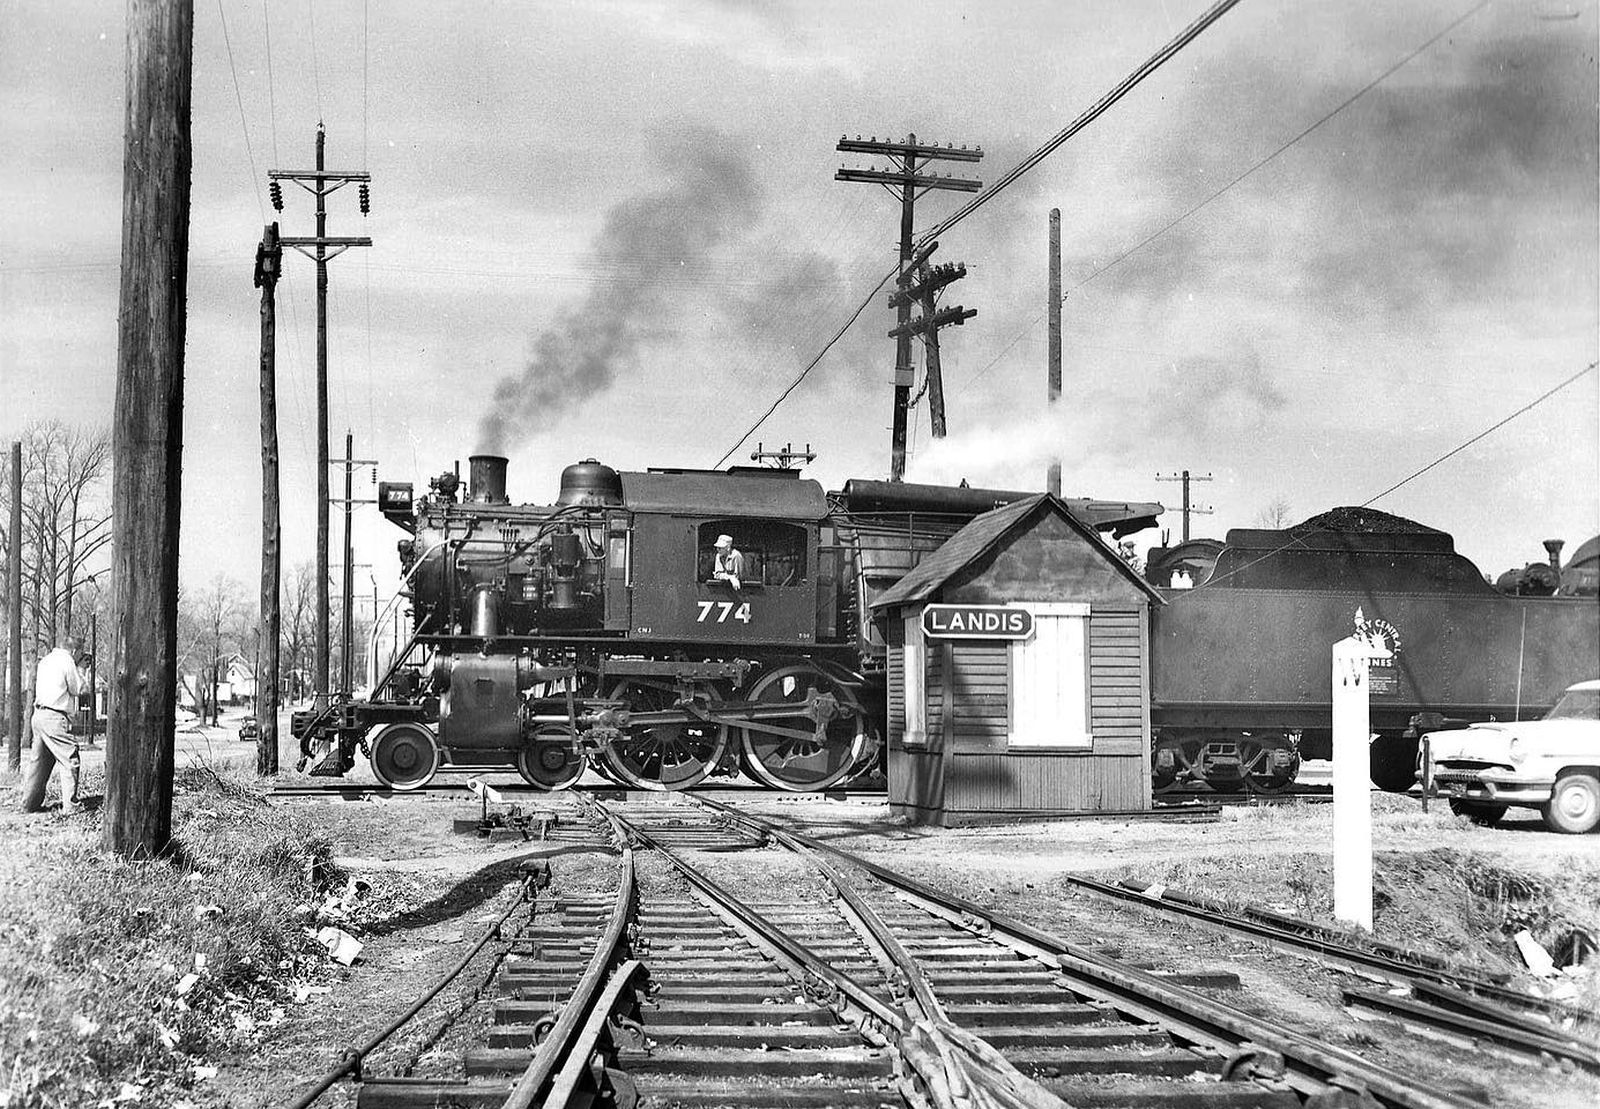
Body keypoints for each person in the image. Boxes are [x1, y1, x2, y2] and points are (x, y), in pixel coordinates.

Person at [22, 635, 88, 815]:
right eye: (80, 652)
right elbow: (78, 689)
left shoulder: (47, 660)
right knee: (70, 758)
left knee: (39, 762)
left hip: (39, 715)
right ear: (74, 651)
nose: (80, 656)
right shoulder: (67, 661)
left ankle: (29, 804)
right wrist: (81, 670)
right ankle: (71, 807)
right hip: (55, 716)